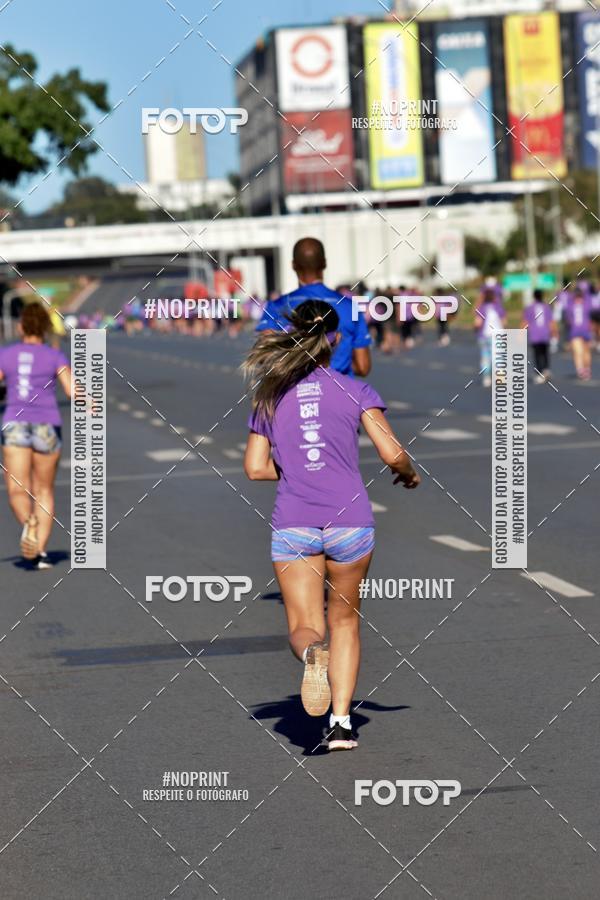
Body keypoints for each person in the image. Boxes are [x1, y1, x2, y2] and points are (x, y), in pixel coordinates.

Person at [243, 300, 420, 751]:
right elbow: (391, 452)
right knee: (345, 620)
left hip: (294, 523)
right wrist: (407, 471)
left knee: (305, 624)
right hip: (350, 523)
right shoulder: (354, 389)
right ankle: (341, 724)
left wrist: (297, 473)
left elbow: (254, 468)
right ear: (335, 340)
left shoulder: (269, 396)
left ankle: (310, 655)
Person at [0, 303, 73, 568]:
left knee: (17, 489)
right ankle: (40, 552)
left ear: (20, 327)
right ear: (44, 328)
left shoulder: (5, 355)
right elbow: (71, 390)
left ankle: (28, 523)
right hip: (47, 425)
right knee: (44, 490)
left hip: (15, 425)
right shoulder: (55, 356)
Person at [256, 237, 372, 377]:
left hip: (295, 393)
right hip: (340, 393)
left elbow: (263, 357)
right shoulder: (349, 306)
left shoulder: (276, 306)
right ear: (324, 263)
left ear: (293, 265)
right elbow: (363, 367)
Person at [522, 289, 557, 383]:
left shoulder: (529, 308)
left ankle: (539, 373)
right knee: (545, 352)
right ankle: (546, 369)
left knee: (537, 355)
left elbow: (525, 322)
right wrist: (554, 332)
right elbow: (551, 322)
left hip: (535, 335)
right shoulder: (546, 307)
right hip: (545, 333)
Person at [475, 288, 506, 387]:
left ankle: (486, 378)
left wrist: (475, 329)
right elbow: (504, 322)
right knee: (498, 357)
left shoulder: (481, 308)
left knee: (485, 357)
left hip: (484, 336)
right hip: (497, 335)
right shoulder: (498, 307)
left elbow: (477, 323)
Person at [565, 287, 593, 380]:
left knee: (586, 351)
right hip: (575, 332)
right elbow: (568, 320)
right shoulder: (572, 306)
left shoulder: (586, 305)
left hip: (585, 331)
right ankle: (580, 370)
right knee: (578, 351)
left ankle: (587, 369)